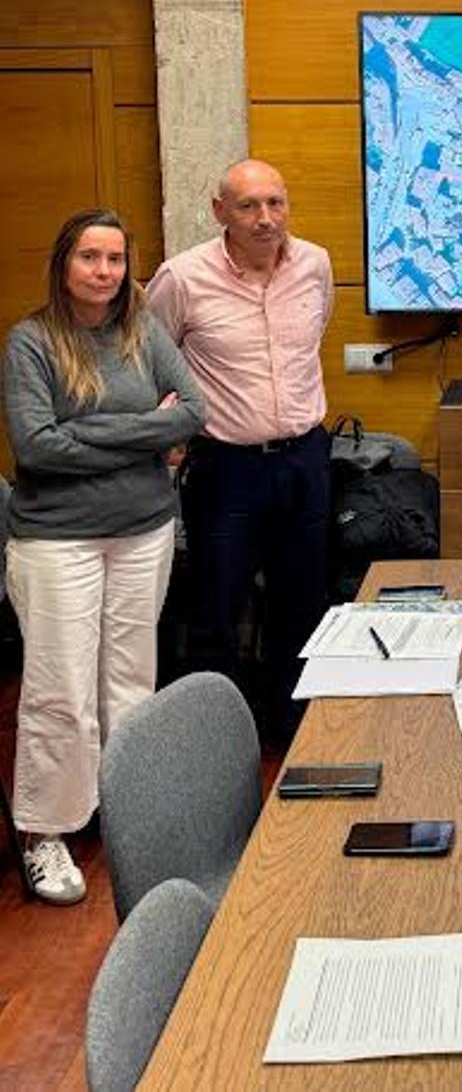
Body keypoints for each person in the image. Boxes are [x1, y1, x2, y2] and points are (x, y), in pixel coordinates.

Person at [3, 209, 204, 904]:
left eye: (115, 259)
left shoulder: (144, 330)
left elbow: (193, 411)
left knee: (130, 681)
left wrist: (91, 431)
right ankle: (47, 832)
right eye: (90, 257)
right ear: (64, 264)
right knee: (61, 690)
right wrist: (148, 430)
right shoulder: (31, 342)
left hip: (143, 529)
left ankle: (127, 812)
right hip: (56, 538)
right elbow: (36, 446)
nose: (104, 271)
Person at [146, 159, 334, 740]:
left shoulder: (315, 264)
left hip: (305, 458)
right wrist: (170, 427)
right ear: (219, 211)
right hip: (226, 467)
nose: (265, 218)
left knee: (303, 602)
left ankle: (290, 732)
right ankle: (217, 742)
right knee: (217, 608)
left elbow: (315, 336)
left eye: (275, 203)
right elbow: (149, 360)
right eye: (249, 206)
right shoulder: (182, 278)